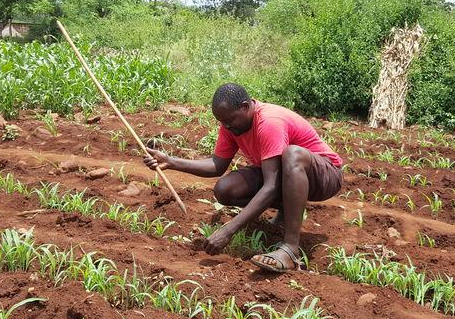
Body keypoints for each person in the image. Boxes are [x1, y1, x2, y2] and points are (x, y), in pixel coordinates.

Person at [143, 83, 343, 272]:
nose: (226, 127)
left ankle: (290, 248)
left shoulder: (269, 122)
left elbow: (271, 185)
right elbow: (217, 165)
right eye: (222, 122)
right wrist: (171, 162)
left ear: (246, 107)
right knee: (225, 189)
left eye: (229, 121)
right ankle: (284, 213)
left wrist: (228, 230)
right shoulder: (231, 124)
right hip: (287, 175)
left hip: (325, 176)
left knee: (292, 155)